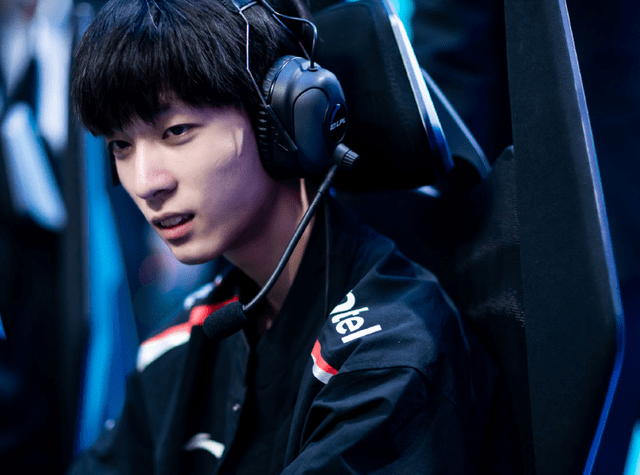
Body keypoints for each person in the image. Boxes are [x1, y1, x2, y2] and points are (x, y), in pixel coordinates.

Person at [68, 0, 490, 473]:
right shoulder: (176, 349)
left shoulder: (392, 356)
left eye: (177, 131)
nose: (146, 182)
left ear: (288, 119)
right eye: (121, 145)